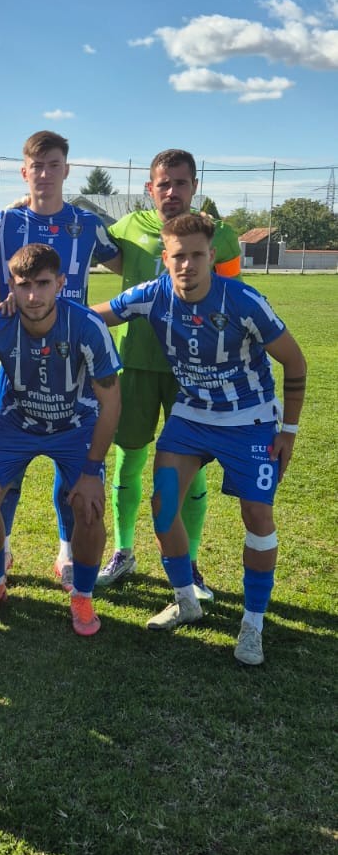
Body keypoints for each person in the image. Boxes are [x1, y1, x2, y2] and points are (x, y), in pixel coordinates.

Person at [93, 212, 306, 665]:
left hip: (249, 419)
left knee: (257, 515)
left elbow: (295, 361)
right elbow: (98, 315)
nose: (187, 264)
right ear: (165, 258)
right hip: (192, 416)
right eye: (178, 256)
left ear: (211, 256)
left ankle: (252, 623)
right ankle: (185, 600)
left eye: (196, 255)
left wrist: (288, 431)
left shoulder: (244, 300)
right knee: (163, 507)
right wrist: (37, 305)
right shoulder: (154, 294)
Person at [0, 129, 119, 585]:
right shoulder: (3, 221)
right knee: (8, 465)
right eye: (36, 166)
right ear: (24, 171)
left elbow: (128, 258)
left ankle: (66, 552)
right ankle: (3, 549)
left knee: (70, 462)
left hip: (74, 358)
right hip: (20, 354)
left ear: (66, 170)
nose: (45, 173)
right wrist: (2, 298)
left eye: (53, 165)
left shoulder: (88, 223)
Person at [97, 149, 242, 598]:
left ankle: (190, 563)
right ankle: (123, 551)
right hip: (135, 364)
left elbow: (233, 295)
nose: (172, 191)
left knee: (190, 469)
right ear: (150, 188)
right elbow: (81, 237)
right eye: (164, 183)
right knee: (129, 459)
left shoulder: (222, 235)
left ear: (194, 186)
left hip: (194, 372)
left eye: (181, 183)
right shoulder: (127, 228)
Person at [0, 244, 121, 635]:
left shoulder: (86, 325)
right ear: (11, 286)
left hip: (76, 425)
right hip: (17, 424)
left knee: (88, 506)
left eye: (43, 284)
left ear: (61, 283)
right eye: (24, 285)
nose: (33, 296)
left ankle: (82, 595)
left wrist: (92, 471)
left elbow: (111, 402)